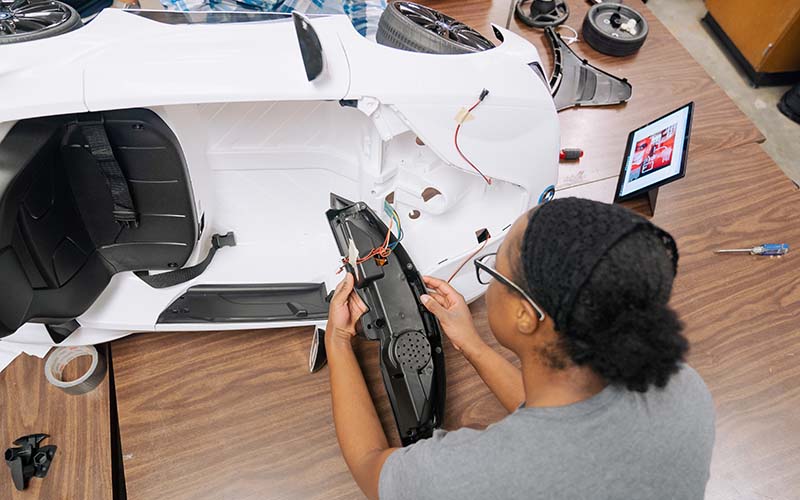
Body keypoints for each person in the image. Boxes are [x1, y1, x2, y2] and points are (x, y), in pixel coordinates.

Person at [325, 197, 715, 500]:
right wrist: (472, 345)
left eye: (496, 269)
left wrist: (339, 342)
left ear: (526, 316)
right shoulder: (683, 389)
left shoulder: (470, 477)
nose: (490, 281)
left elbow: (370, 467)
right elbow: (565, 424)